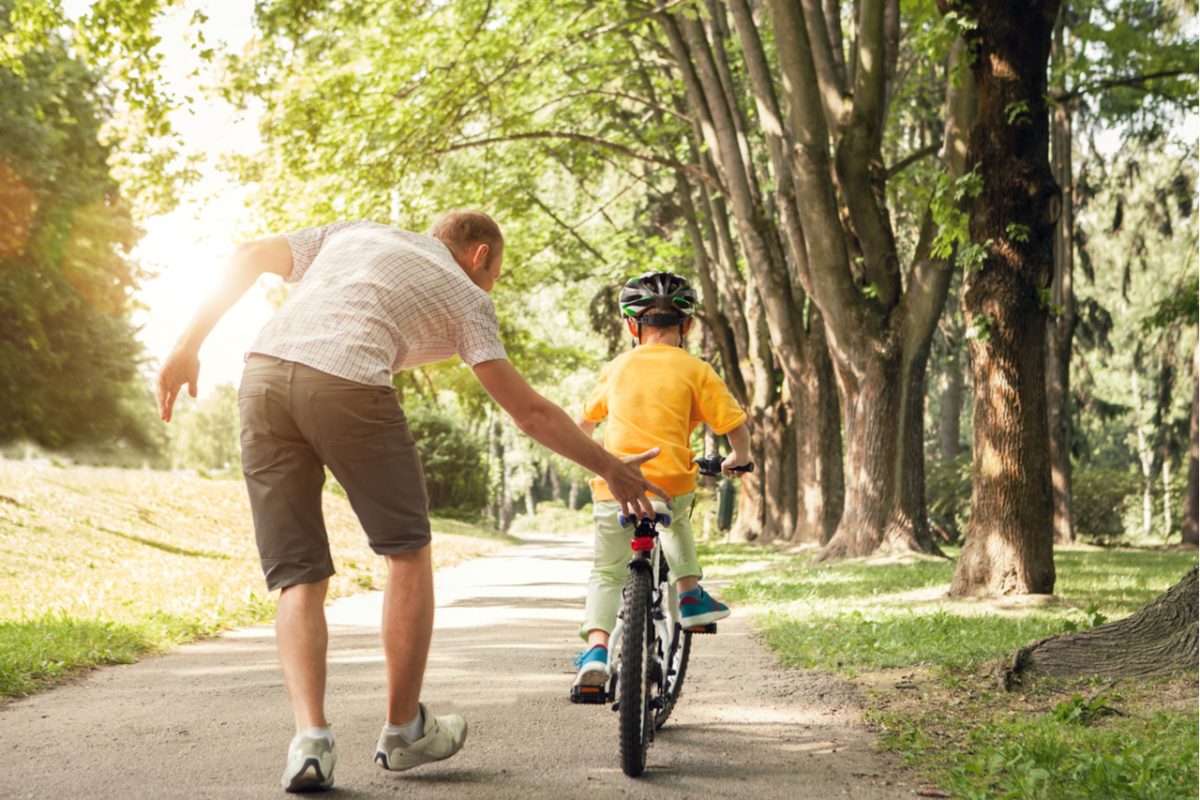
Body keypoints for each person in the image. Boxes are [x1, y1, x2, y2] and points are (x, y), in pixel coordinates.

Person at [155, 212, 668, 793]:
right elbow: (528, 412)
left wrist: (185, 346)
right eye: (495, 273)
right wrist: (610, 468)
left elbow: (246, 252)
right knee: (407, 552)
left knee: (298, 574)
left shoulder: (351, 232)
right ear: (479, 256)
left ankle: (311, 741)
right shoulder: (467, 295)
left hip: (263, 379)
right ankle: (403, 731)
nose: (491, 286)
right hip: (348, 385)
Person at [571, 270, 751, 695]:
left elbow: (583, 424)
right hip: (669, 480)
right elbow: (733, 424)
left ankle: (596, 651)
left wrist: (594, 462)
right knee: (677, 522)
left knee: (606, 571)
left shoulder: (616, 367)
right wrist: (738, 458)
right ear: (686, 325)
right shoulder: (696, 369)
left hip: (614, 484)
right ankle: (689, 594)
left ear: (632, 326)